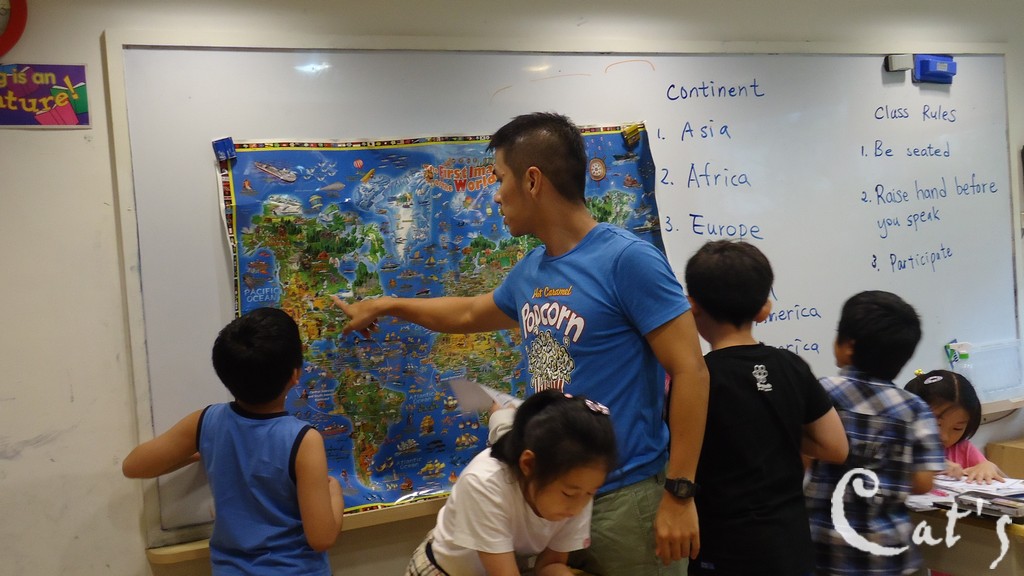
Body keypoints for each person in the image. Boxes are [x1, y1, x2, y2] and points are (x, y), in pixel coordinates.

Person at [334, 112, 709, 575]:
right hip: (550, 502)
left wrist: (680, 494)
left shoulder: (628, 260)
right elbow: (469, 314)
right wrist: (388, 304)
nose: (496, 194)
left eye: (499, 178)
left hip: (624, 501)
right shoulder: (532, 269)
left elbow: (692, 371)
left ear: (532, 181)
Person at [123, 307, 344, 575]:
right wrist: (334, 494)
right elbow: (321, 538)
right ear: (295, 375)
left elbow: (134, 466)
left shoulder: (206, 422)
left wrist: (201, 448)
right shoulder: (304, 440)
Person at [682, 240, 848, 576]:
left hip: (724, 547)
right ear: (764, 309)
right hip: (790, 545)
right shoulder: (792, 366)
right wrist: (778, 432)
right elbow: (836, 447)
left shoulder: (698, 379)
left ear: (692, 305)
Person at [804, 291, 945, 576]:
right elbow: (923, 482)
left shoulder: (819, 393)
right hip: (889, 555)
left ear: (848, 346)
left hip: (824, 549)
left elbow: (801, 460)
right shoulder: (915, 408)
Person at [406, 389, 617, 576]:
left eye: (591, 493)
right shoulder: (484, 483)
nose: (578, 508)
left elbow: (551, 564)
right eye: (569, 494)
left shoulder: (579, 487)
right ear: (528, 464)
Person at [905, 369, 1005, 483]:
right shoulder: (899, 447)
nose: (944, 437)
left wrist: (989, 467)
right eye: (936, 425)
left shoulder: (963, 449)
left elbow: (1007, 483)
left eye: (957, 428)